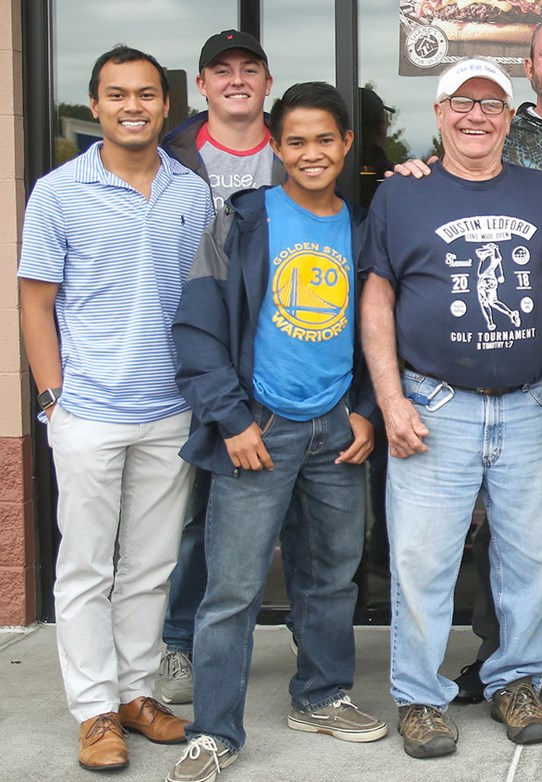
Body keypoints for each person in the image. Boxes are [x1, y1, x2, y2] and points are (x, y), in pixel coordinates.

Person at [393, 2, 542, 706]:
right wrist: (415, 173)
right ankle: (498, 657)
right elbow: (439, 196)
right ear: (529, 67)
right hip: (512, 363)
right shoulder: (494, 128)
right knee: (504, 525)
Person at [163, 82, 387, 782]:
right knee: (231, 590)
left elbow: (384, 332)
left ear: (346, 144)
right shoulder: (246, 220)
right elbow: (197, 328)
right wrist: (229, 419)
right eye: (295, 141)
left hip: (336, 430)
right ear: (276, 147)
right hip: (256, 426)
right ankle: (215, 730)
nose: (311, 153)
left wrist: (365, 411)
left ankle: (320, 696)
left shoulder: (361, 227)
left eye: (325, 139)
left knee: (330, 580)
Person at [361, 57, 542, 759]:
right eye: (461, 102)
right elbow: (378, 298)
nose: (475, 116)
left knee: (530, 559)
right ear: (439, 112)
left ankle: (515, 681)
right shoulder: (401, 196)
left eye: (491, 104)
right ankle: (420, 699)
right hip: (434, 404)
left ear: (511, 118)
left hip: (529, 405)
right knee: (422, 560)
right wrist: (390, 397)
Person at [18, 45, 213, 772]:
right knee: (86, 568)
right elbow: (36, 303)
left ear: (166, 107)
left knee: (152, 566)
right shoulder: (58, 192)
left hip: (171, 409)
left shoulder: (191, 193)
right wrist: (52, 399)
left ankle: (136, 693)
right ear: (94, 106)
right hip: (90, 411)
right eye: (116, 95)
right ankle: (95, 709)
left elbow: (205, 300)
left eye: (145, 95)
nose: (133, 106)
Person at [157, 28, 285, 706]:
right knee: (195, 513)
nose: (237, 80)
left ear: (267, 82)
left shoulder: (294, 152)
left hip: (279, 357)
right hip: (194, 352)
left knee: (294, 511)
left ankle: (310, 649)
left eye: (250, 69)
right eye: (222, 70)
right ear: (201, 84)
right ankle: (177, 643)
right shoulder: (168, 152)